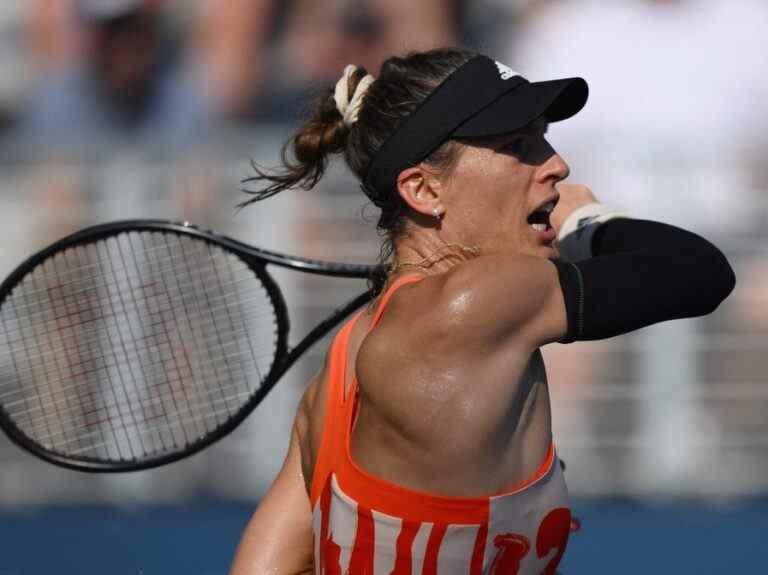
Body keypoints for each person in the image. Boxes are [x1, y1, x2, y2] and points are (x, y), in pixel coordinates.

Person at [228, 48, 735, 574]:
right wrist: (585, 220)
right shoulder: (478, 303)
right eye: (518, 145)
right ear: (424, 190)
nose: (557, 164)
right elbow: (698, 272)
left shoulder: (331, 384)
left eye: (542, 136)